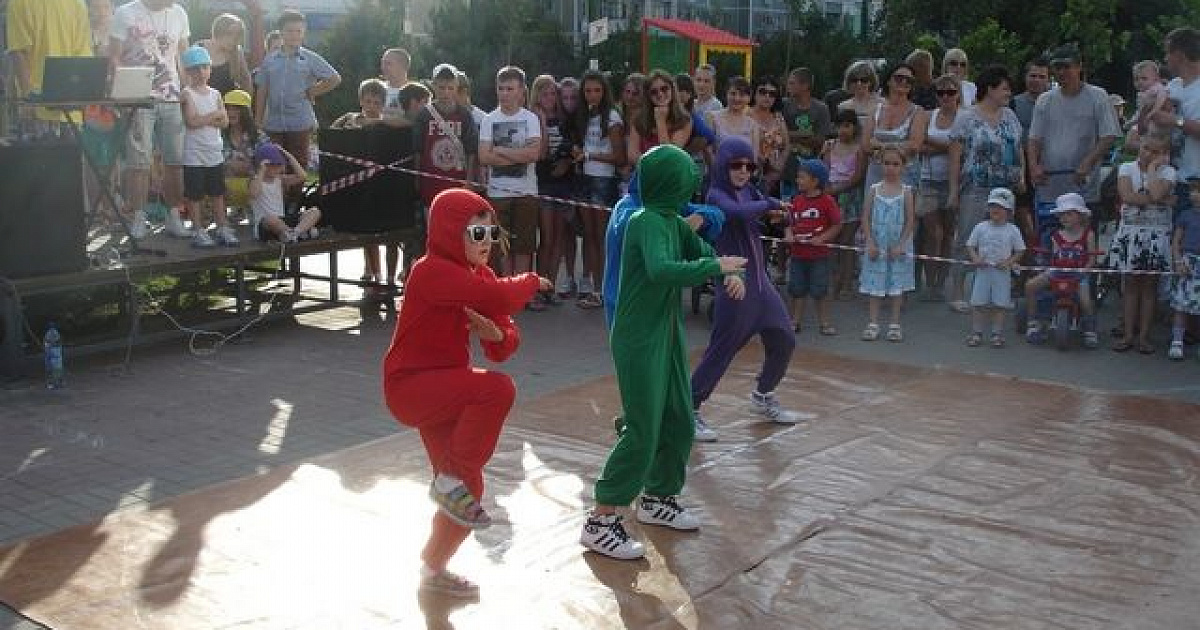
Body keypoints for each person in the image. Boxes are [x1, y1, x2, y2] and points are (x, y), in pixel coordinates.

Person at [579, 145, 746, 561]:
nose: (693, 182)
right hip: (637, 336)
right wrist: (716, 269)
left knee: (679, 417)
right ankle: (600, 521)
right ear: (672, 182)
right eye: (687, 176)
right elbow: (661, 270)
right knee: (643, 428)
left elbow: (703, 252)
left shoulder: (671, 220)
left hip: (666, 331)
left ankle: (657, 497)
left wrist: (729, 273)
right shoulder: (644, 221)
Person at [382, 187, 550, 596]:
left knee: (467, 494)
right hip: (410, 387)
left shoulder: (480, 276)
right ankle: (449, 478)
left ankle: (433, 568)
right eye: (477, 233)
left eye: (492, 233)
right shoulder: (430, 271)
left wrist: (497, 334)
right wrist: (531, 280)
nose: (487, 242)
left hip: (448, 390)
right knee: (497, 390)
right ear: (450, 232)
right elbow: (501, 297)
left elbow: (504, 342)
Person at [691, 136, 798, 442]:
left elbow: (758, 208)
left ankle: (763, 395)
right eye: (735, 165)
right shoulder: (715, 195)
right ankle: (689, 407)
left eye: (749, 166)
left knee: (784, 339)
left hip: (762, 285)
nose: (743, 171)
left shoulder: (749, 190)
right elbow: (737, 213)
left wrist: (781, 214)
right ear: (723, 166)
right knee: (722, 349)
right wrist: (770, 204)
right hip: (735, 285)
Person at [947, 65, 1026, 313]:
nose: (1008, 93)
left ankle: (998, 293)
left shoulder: (1010, 116)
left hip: (1005, 190)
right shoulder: (967, 117)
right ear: (990, 89)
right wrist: (953, 190)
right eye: (1004, 88)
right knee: (968, 237)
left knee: (1003, 241)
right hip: (976, 187)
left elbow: (1019, 147)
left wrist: (1021, 175)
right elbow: (955, 156)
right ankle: (958, 291)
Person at [109, 0, 190, 240]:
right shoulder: (125, 12)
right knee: (139, 162)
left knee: (175, 160)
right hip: (138, 99)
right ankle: (138, 217)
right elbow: (114, 57)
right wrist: (125, 92)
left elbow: (183, 55)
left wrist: (188, 91)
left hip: (172, 97)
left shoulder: (179, 12)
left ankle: (174, 216)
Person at [1027, 43, 1120, 238]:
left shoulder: (1098, 96)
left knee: (1083, 242)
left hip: (1082, 187)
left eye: (1066, 66)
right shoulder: (1045, 100)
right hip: (1050, 184)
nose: (1061, 72)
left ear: (1079, 67)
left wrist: (1088, 162)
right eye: (1057, 67)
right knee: (1050, 241)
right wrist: (1034, 166)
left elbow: (1109, 135)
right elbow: (1034, 138)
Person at [254, 8, 341, 204]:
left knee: (298, 163)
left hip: (300, 122)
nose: (294, 35)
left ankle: (294, 204)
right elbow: (262, 89)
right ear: (281, 32)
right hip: (274, 122)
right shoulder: (270, 60)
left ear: (304, 33)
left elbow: (334, 78)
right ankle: (275, 203)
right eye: (290, 31)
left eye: (298, 31)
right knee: (273, 162)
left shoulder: (309, 58)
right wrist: (258, 120)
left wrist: (313, 91)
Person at [1111, 134, 1176, 354]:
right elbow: (1127, 197)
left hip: (1156, 234)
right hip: (1131, 232)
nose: (1147, 153)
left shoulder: (1168, 172)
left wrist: (1152, 170)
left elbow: (1156, 192)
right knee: (1130, 285)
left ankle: (1144, 336)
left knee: (1149, 287)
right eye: (1145, 148)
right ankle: (1128, 334)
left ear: (1164, 155)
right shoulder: (1126, 168)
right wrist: (1162, 200)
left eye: (1154, 152)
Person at [479, 65, 543, 280]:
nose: (504, 94)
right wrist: (518, 154)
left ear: (521, 91)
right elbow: (484, 157)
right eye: (501, 88)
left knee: (524, 246)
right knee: (500, 247)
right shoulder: (489, 119)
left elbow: (533, 154)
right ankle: (504, 287)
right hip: (497, 193)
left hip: (526, 192)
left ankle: (521, 289)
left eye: (509, 89)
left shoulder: (530, 118)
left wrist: (500, 150)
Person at [575, 69, 625, 308]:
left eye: (597, 90)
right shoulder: (584, 115)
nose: (592, 95)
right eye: (588, 91)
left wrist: (588, 155)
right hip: (584, 179)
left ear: (605, 92)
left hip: (603, 181)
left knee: (602, 237)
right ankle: (595, 288)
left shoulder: (612, 117)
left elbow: (619, 156)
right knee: (589, 236)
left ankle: (604, 290)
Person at [6, 0, 90, 137]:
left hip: (38, 105)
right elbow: (83, 55)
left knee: (37, 151)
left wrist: (27, 97)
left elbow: (19, 52)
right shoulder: (78, 4)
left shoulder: (18, 3)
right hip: (71, 106)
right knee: (72, 150)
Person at [1023, 192, 1098, 347]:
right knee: (1030, 286)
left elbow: (1092, 258)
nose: (1064, 218)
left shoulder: (1088, 235)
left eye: (1069, 214)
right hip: (1057, 271)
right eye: (1061, 215)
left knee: (1085, 301)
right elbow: (1054, 257)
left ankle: (1090, 328)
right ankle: (1033, 322)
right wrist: (1047, 267)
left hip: (1078, 273)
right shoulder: (1056, 235)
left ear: (1080, 215)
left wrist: (1085, 270)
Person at [917, 74, 967, 301]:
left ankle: (940, 282)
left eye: (950, 92)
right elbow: (919, 144)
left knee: (948, 234)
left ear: (958, 94)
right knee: (933, 233)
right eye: (941, 92)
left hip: (954, 180)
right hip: (928, 179)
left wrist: (935, 144)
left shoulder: (965, 118)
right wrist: (949, 146)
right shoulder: (929, 116)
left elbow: (965, 149)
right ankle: (929, 281)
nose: (945, 96)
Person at [179, 45, 235, 248]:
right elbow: (192, 122)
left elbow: (225, 122)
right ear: (188, 71)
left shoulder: (216, 94)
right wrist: (213, 116)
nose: (201, 72)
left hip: (214, 151)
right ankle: (198, 229)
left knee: (217, 192)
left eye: (204, 67)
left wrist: (206, 118)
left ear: (210, 69)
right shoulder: (186, 94)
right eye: (195, 69)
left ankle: (222, 227)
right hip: (194, 152)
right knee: (195, 194)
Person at [859, 146, 916, 342]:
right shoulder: (874, 190)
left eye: (895, 164)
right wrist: (870, 242)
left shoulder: (906, 192)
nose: (891, 168)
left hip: (897, 246)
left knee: (896, 286)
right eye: (887, 163)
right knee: (875, 284)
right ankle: (873, 323)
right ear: (880, 164)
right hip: (877, 245)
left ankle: (894, 323)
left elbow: (910, 221)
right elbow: (865, 217)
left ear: (903, 167)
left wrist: (901, 244)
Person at [528, 74, 575, 310]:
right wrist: (543, 121)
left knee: (558, 237)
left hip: (564, 183)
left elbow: (572, 148)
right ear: (536, 96)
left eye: (552, 93)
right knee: (546, 238)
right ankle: (538, 286)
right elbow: (542, 152)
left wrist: (567, 162)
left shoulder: (565, 119)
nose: (549, 98)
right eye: (544, 93)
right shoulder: (533, 118)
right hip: (543, 182)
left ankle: (551, 287)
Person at [964, 188, 1025, 348]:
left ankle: (996, 334)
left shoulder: (1013, 230)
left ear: (1009, 211)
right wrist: (976, 258)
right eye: (992, 206)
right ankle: (976, 332)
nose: (995, 209)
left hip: (1002, 273)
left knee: (1000, 304)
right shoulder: (981, 227)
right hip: (983, 271)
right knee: (978, 303)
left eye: (1001, 207)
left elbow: (1020, 250)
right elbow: (970, 245)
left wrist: (1009, 262)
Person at [786, 158, 842, 334]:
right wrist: (789, 234)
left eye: (802, 177)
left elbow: (837, 224)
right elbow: (789, 221)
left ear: (815, 181)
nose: (798, 180)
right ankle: (795, 321)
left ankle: (825, 323)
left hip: (819, 256)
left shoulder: (827, 201)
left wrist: (823, 238)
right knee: (796, 289)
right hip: (798, 254)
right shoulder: (796, 200)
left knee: (820, 290)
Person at [823, 109, 866, 299]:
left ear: (855, 127)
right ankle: (834, 281)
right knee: (833, 241)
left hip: (851, 198)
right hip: (831, 198)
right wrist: (828, 191)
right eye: (839, 126)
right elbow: (825, 170)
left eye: (847, 126)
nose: (843, 130)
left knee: (847, 242)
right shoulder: (830, 146)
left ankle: (847, 284)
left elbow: (858, 177)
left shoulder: (859, 149)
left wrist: (838, 189)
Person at [1011, 57, 1051, 240]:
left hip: (1048, 165)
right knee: (1023, 218)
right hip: (1022, 165)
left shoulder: (1054, 102)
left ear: (1048, 79)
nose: (1037, 80)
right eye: (1033, 75)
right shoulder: (1014, 103)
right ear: (1025, 77)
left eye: (1042, 76)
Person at [249, 142, 319, 243]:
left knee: (315, 211)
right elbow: (254, 193)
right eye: (274, 165)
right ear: (264, 165)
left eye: (279, 164)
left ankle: (295, 233)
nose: (278, 168)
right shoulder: (255, 181)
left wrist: (288, 155)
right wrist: (261, 171)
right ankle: (300, 232)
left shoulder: (280, 179)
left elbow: (302, 176)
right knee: (271, 219)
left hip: (283, 221)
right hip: (265, 225)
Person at [627, 70, 692, 164]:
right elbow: (632, 154)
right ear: (648, 96)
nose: (660, 94)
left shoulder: (684, 119)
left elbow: (669, 156)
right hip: (645, 170)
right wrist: (652, 166)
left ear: (672, 89)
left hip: (671, 171)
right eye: (654, 92)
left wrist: (660, 121)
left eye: (664, 89)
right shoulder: (639, 119)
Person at [1169, 180, 1200, 360]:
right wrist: (1178, 261)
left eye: (1198, 191)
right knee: (1182, 304)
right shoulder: (1185, 215)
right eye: (1193, 191)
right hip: (1188, 261)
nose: (1194, 194)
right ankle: (1177, 340)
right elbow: (1176, 241)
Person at [781, 67, 831, 164]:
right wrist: (806, 134)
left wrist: (788, 135)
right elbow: (778, 135)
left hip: (811, 161)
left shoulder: (821, 108)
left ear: (805, 86)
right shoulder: (783, 105)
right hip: (785, 160)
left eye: (792, 83)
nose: (787, 86)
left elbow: (820, 141)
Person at [221, 89, 259, 213]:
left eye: (236, 109)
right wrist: (229, 165)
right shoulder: (217, 135)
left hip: (252, 184)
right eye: (228, 109)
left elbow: (269, 164)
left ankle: (253, 213)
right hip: (224, 183)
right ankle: (220, 217)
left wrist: (249, 168)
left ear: (245, 112)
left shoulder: (258, 136)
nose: (230, 113)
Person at [198, 13, 251, 95]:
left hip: (229, 102)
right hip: (201, 100)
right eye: (229, 33)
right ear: (219, 31)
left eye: (237, 35)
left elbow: (246, 80)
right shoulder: (198, 49)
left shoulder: (237, 52)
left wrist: (247, 101)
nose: (233, 39)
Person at [838, 60, 883, 127]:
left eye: (864, 80)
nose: (859, 83)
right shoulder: (843, 107)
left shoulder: (882, 104)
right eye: (854, 80)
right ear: (849, 82)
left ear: (871, 82)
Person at [1131, 60, 1169, 138]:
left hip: (1162, 123)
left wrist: (1153, 111)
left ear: (1156, 79)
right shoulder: (1142, 94)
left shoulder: (1156, 88)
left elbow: (1161, 99)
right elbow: (1140, 111)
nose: (1140, 82)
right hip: (1150, 125)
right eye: (1136, 79)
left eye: (1144, 78)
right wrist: (1133, 120)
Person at [380, 47, 412, 126]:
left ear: (403, 66)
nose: (383, 67)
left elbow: (416, 121)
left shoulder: (416, 91)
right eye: (382, 63)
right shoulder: (378, 89)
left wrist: (377, 121)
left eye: (388, 63)